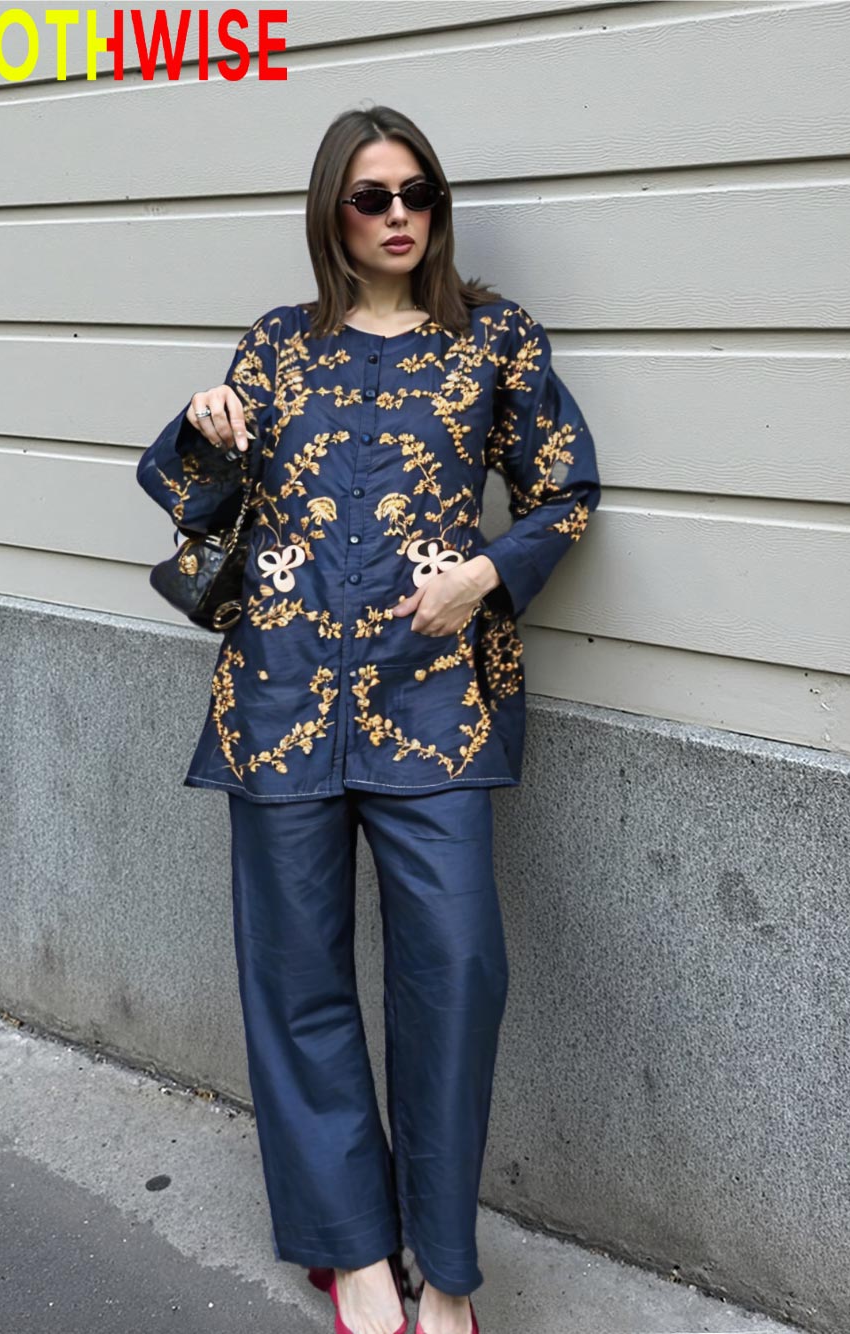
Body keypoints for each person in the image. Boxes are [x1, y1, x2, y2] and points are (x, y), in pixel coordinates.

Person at [137, 104, 601, 1334]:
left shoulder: (492, 340)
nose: (399, 215)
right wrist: (205, 420)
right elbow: (190, 496)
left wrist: (486, 574)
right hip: (281, 697)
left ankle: (441, 1268)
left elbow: (566, 490)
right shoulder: (275, 347)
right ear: (329, 215)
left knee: (456, 967)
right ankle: (349, 1250)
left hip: (435, 701)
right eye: (371, 196)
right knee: (295, 976)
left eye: (417, 193)